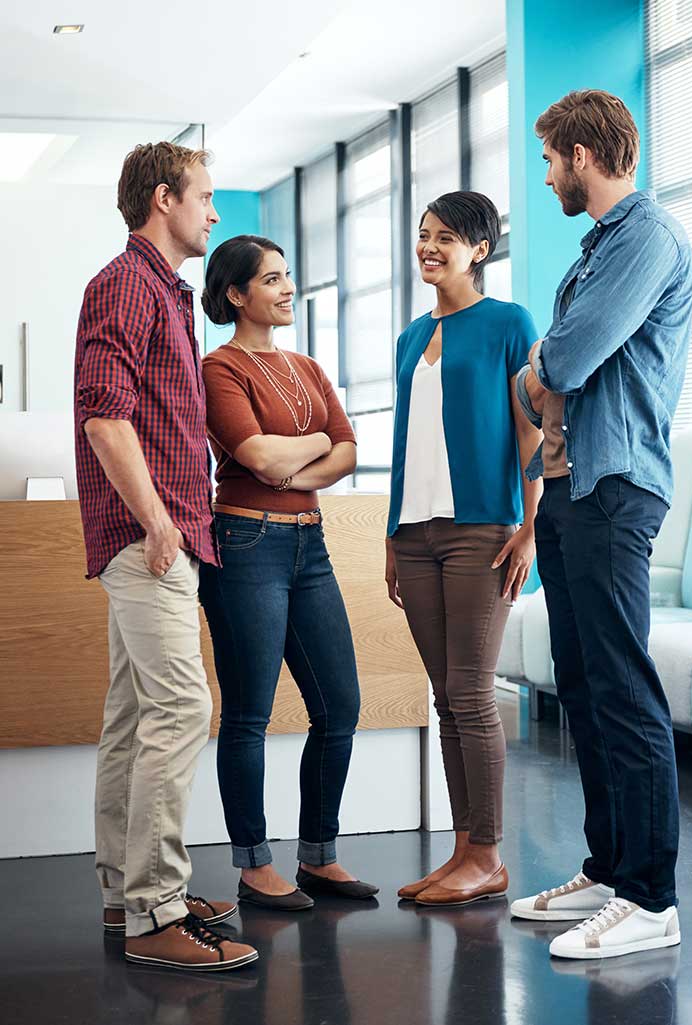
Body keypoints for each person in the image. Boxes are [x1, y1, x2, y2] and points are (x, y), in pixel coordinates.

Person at [510, 90, 692, 960]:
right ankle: (612, 868)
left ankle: (653, 898)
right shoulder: (595, 251)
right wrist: (544, 369)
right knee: (580, 686)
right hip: (572, 488)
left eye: (551, 159)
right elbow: (534, 377)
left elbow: (567, 358)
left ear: (582, 154)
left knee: (622, 688)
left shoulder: (648, 238)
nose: (547, 175)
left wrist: (546, 366)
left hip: (617, 488)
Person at [74, 142, 258, 971]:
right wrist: (154, 521)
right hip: (148, 536)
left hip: (164, 529)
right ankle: (157, 911)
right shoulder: (124, 284)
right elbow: (105, 416)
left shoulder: (166, 292)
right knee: (183, 710)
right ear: (163, 199)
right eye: (206, 197)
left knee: (134, 717)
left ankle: (127, 895)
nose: (215, 214)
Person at [198, 235, 378, 910]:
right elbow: (259, 457)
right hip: (246, 544)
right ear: (237, 294)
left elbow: (350, 450)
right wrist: (310, 449)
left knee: (340, 705)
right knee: (249, 713)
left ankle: (318, 858)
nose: (286, 288)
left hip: (310, 546)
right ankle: (252, 865)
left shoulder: (305, 365)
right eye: (271, 279)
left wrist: (293, 456)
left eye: (288, 275)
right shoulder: (219, 368)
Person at [386, 191, 544, 907]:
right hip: (415, 535)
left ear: (480, 249)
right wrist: (392, 532)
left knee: (474, 694)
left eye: (445, 237)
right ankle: (463, 849)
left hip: (482, 528)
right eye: (424, 235)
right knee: (446, 696)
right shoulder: (411, 337)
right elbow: (402, 443)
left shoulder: (508, 323)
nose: (429, 247)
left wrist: (530, 526)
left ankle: (488, 854)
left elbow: (532, 432)